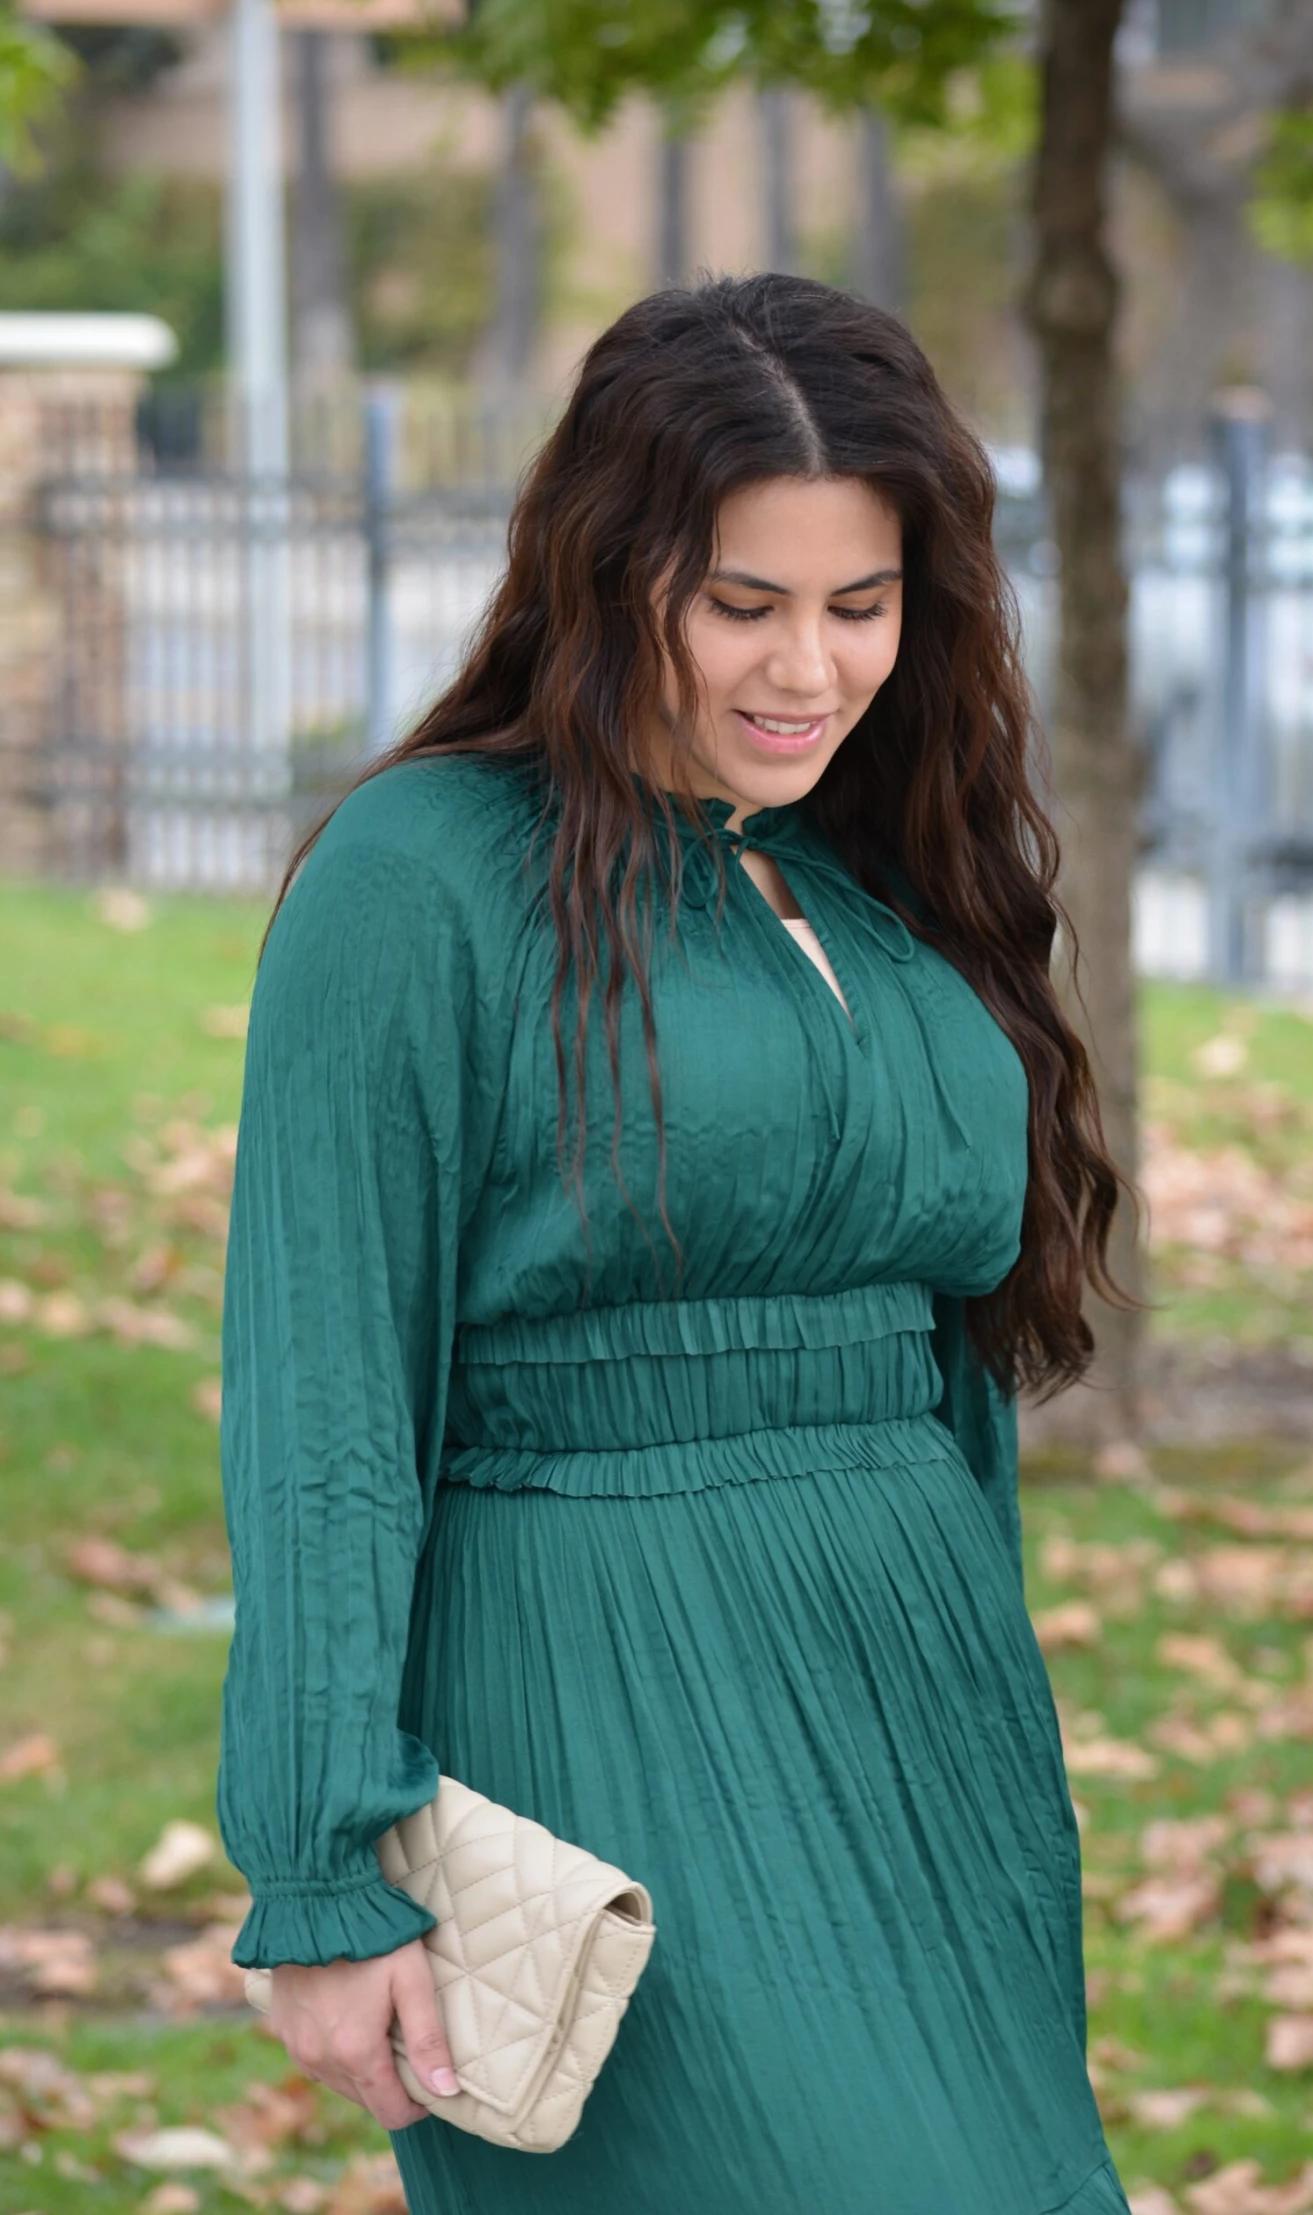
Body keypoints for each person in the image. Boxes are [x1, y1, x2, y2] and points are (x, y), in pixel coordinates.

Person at [218, 272, 1132, 2215]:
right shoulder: (419, 880)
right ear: (608, 571)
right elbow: (324, 1401)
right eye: (743, 604)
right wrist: (319, 1858)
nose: (809, 666)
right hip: (594, 1688)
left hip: (921, 1710)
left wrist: (992, 1732)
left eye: (862, 605)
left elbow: (946, 1368)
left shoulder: (888, 873)